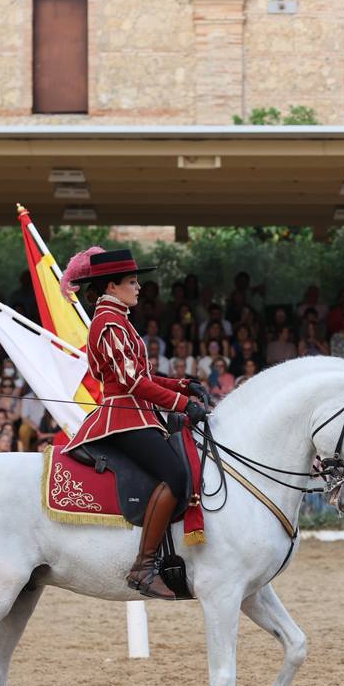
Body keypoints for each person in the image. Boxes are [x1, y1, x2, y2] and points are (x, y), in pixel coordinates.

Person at [59, 247, 207, 601]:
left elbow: (143, 376)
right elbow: (132, 384)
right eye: (132, 281)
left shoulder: (119, 320)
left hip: (137, 413)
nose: (139, 287)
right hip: (123, 418)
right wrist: (182, 403)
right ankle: (143, 566)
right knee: (175, 475)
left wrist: (183, 384)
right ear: (111, 286)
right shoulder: (108, 323)